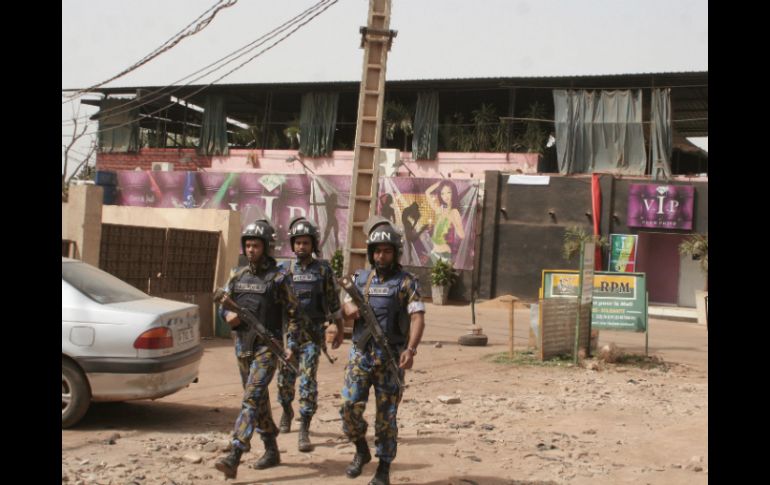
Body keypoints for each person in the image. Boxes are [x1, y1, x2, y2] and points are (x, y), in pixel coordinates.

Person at [339, 218, 426, 485]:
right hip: (360, 356)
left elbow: (417, 316)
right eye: (377, 250)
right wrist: (346, 309)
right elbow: (344, 302)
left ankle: (384, 469)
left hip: (390, 358)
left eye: (387, 251)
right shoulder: (359, 279)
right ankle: (362, 451)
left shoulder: (406, 282)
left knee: (386, 418)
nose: (381, 255)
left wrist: (410, 349)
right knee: (349, 408)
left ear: (396, 253)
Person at [214, 219, 300, 480]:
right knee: (258, 400)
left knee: (251, 398)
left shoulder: (279, 277)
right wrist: (226, 315)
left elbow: (295, 314)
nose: (251, 250)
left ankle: (236, 453)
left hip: (267, 346)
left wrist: (292, 345)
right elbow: (223, 306)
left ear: (267, 247)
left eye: (256, 245)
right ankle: (272, 449)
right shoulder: (237, 276)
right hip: (243, 346)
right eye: (248, 245)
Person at [276, 217, 345, 452]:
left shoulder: (323, 270)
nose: (301, 247)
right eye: (297, 243)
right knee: (284, 382)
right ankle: (286, 411)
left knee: (307, 382)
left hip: (313, 335)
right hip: (289, 336)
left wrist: (339, 329)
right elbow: (276, 306)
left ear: (313, 245)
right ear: (292, 245)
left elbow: (334, 302)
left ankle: (304, 427)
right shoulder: (284, 270)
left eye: (305, 243)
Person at [425, 180, 465, 264]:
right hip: (434, 252)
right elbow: (427, 193)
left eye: (448, 192)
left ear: (453, 193)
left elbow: (462, 235)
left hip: (444, 254)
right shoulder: (439, 209)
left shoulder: (454, 212)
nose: (445, 196)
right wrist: (439, 183)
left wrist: (452, 219)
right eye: (442, 193)